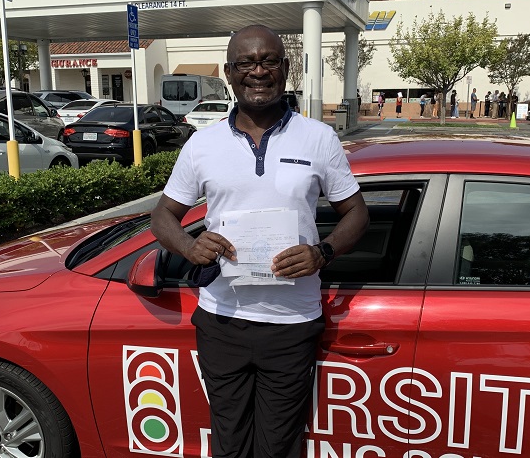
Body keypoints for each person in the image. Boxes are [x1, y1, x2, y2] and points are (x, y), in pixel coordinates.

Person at [150, 24, 370, 458]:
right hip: (222, 321)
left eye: (268, 60)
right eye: (246, 63)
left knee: (278, 447)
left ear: (285, 69)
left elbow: (358, 213)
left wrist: (321, 252)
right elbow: (163, 216)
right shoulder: (202, 144)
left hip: (292, 324)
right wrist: (188, 246)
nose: (258, 71)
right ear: (230, 73)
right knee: (228, 445)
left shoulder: (319, 138)